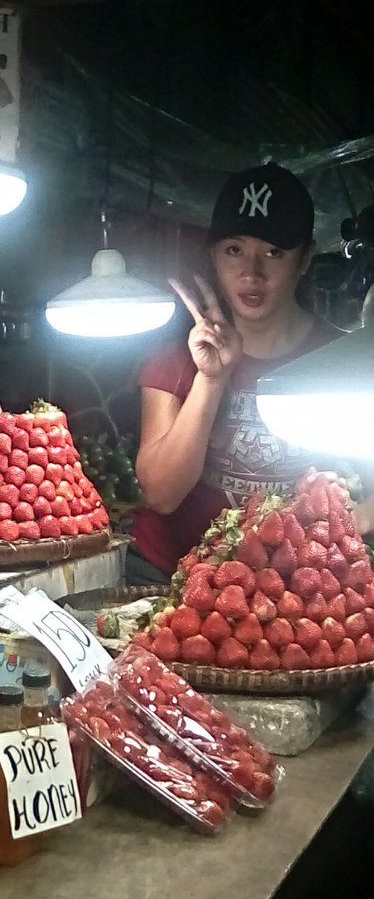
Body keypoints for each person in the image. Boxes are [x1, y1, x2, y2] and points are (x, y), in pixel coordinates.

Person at [127, 161, 374, 585]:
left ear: (306, 259)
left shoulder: (345, 362)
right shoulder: (176, 361)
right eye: (234, 250)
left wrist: (355, 519)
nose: (251, 273)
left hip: (294, 592)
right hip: (171, 581)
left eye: (274, 252)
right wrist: (212, 378)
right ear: (213, 254)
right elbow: (161, 496)